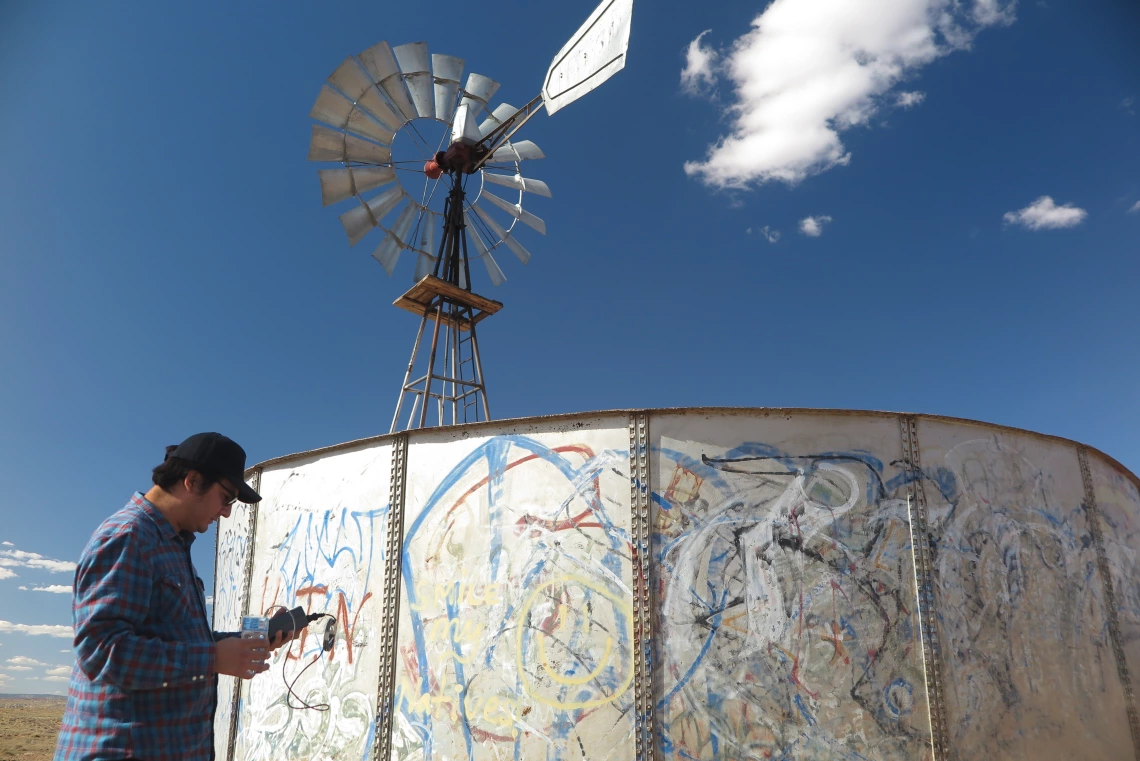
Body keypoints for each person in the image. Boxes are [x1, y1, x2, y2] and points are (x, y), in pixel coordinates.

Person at [55, 432, 292, 761]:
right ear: (192, 481)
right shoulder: (128, 537)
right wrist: (212, 658)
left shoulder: (170, 544)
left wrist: (246, 641)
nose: (225, 512)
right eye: (225, 498)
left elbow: (176, 639)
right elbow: (101, 650)